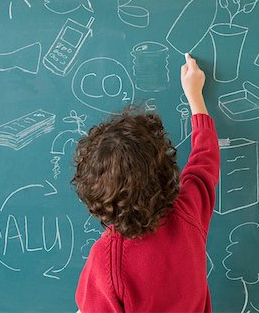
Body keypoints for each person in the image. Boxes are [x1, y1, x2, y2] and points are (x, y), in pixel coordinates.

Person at [72, 54, 220, 313]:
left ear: (96, 194)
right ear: (164, 171)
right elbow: (204, 163)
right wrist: (195, 97)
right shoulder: (189, 214)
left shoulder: (106, 259)